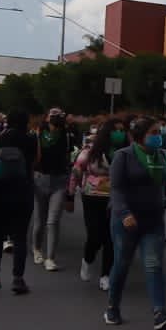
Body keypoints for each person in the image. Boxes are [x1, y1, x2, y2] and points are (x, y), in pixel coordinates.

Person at [104, 117, 166, 330]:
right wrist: (125, 213)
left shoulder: (160, 156)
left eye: (159, 132)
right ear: (140, 135)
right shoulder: (123, 156)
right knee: (122, 264)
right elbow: (116, 189)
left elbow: (165, 186)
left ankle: (160, 312)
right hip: (126, 222)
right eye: (154, 132)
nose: (159, 136)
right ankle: (112, 307)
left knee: (154, 264)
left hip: (153, 221)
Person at [0, 110, 37, 295]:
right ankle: (18, 279)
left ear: (7, 122)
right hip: (23, 191)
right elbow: (37, 161)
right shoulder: (32, 140)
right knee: (20, 237)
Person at [73, 118, 122, 292]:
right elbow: (78, 169)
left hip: (115, 198)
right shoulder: (91, 150)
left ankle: (106, 275)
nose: (120, 133)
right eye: (116, 130)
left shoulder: (124, 152)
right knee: (95, 235)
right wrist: (72, 192)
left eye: (122, 130)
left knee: (110, 237)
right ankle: (87, 259)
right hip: (92, 197)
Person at [29, 108, 72, 271]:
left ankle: (50, 258)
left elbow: (69, 156)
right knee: (39, 220)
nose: (57, 118)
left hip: (59, 180)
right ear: (46, 118)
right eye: (53, 115)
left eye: (59, 115)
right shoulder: (37, 135)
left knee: (53, 221)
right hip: (40, 179)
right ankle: (36, 249)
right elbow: (34, 157)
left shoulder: (67, 135)